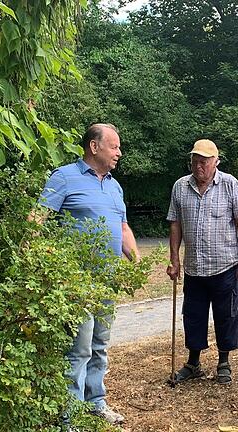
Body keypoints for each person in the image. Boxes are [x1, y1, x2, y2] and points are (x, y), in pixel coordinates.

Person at [32, 123, 139, 425]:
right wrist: (36, 257)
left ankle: (95, 403)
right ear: (94, 147)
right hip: (76, 281)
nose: (119, 152)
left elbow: (123, 227)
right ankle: (71, 415)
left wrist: (137, 262)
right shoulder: (64, 177)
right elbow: (38, 218)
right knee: (78, 349)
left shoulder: (115, 186)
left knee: (99, 345)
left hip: (108, 279)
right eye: (114, 146)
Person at [166, 139, 238, 385]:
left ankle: (224, 362)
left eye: (204, 161)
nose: (198, 166)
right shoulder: (180, 187)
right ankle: (193, 363)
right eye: (195, 161)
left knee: (226, 315)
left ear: (216, 162)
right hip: (194, 267)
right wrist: (174, 259)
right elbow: (175, 224)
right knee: (193, 315)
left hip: (224, 265)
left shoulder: (230, 185)